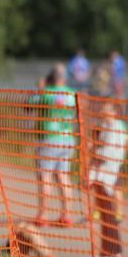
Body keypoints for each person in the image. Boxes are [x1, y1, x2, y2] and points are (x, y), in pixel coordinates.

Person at [33, 63, 77, 228]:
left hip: (49, 139)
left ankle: (43, 215)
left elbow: (28, 105)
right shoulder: (72, 94)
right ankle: (67, 215)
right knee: (63, 176)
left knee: (45, 176)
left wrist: (40, 88)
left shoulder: (46, 93)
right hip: (67, 139)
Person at [88, 101, 128, 257]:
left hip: (107, 174)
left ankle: (113, 251)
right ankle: (106, 251)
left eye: (105, 106)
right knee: (105, 214)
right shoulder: (108, 126)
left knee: (108, 214)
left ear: (113, 111)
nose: (102, 109)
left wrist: (93, 150)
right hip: (102, 173)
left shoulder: (115, 128)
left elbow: (108, 152)